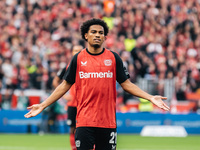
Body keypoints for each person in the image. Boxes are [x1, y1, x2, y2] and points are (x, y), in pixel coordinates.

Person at [24, 18, 170, 150]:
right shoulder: (78, 59)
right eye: (93, 32)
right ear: (86, 36)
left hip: (107, 123)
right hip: (84, 122)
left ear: (105, 37)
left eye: (101, 33)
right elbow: (64, 85)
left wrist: (150, 97)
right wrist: (43, 105)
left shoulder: (113, 58)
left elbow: (127, 84)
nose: (97, 35)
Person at [52, 45, 83, 150]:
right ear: (72, 52)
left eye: (79, 51)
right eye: (75, 50)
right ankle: (73, 148)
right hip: (72, 104)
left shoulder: (88, 66)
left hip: (84, 104)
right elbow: (55, 81)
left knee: (85, 128)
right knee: (72, 128)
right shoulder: (68, 67)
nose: (77, 52)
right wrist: (64, 96)